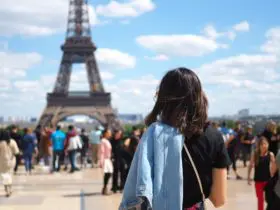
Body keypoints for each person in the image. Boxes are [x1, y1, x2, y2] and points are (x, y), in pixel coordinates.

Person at [119, 67, 230, 210]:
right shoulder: (213, 137)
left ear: (163, 97)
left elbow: (139, 190)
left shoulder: (153, 135)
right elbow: (219, 199)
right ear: (198, 96)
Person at [248, 137, 277, 210]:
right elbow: (251, 165)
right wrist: (248, 177)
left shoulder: (270, 154)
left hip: (268, 181)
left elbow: (274, 167)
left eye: (265, 144)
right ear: (259, 145)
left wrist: (274, 178)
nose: (264, 146)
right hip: (258, 181)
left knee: (269, 200)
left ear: (268, 145)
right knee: (260, 200)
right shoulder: (255, 154)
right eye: (262, 144)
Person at [0, 130, 19, 197]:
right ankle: (10, 189)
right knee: (10, 174)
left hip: (2, 162)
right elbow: (16, 152)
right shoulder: (12, 142)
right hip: (11, 161)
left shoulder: (1, 143)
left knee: (4, 176)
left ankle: (6, 190)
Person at [99, 128, 113, 195]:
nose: (110, 134)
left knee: (109, 173)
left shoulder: (107, 140)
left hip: (108, 159)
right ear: (105, 133)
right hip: (105, 159)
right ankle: (104, 188)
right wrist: (101, 161)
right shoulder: (103, 141)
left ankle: (104, 188)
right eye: (109, 132)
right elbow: (102, 152)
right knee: (108, 173)